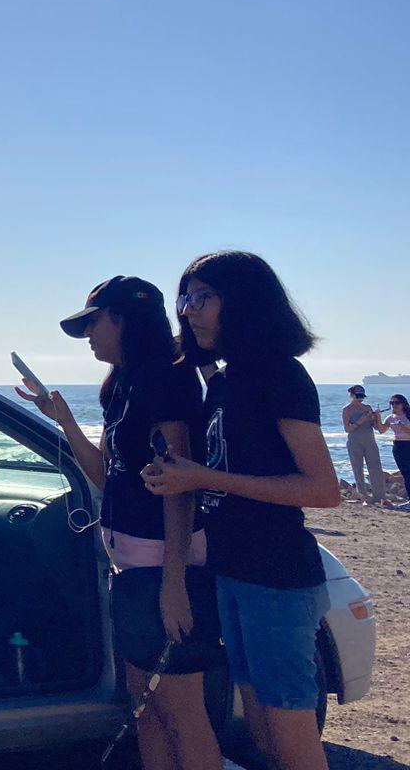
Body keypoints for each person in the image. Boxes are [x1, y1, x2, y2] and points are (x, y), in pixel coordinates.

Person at [144, 251, 340, 770]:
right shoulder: (228, 379)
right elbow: (229, 468)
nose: (188, 310)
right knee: (261, 732)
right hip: (234, 572)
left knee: (292, 737)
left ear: (246, 300)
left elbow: (323, 488)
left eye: (203, 296)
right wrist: (176, 474)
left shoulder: (280, 374)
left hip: (276, 577)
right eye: (185, 298)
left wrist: (203, 476)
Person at [17, 277, 221, 770]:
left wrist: (175, 584)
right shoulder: (119, 384)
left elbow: (180, 485)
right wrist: (63, 419)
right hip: (131, 570)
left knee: (182, 712)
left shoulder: (165, 379)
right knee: (146, 709)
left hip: (164, 568)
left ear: (124, 320)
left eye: (94, 322)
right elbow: (110, 479)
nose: (88, 334)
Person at [341, 386, 388, 506]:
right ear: (351, 395)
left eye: (362, 396)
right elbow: (347, 429)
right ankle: (363, 497)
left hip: (369, 440)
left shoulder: (367, 408)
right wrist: (361, 420)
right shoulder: (347, 410)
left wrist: (376, 417)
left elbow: (377, 427)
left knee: (375, 467)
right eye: (358, 396)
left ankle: (380, 496)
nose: (360, 399)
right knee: (358, 468)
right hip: (354, 441)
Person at [384, 394, 410, 506]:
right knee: (405, 473)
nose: (394, 405)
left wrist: (404, 428)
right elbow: (381, 429)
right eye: (392, 403)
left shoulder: (407, 416)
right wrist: (375, 418)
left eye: (396, 403)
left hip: (408, 444)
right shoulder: (390, 418)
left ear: (403, 404)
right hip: (398, 446)